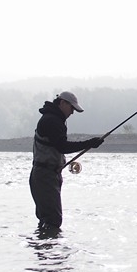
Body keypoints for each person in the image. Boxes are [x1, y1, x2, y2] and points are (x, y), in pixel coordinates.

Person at [29, 91, 104, 234]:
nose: (72, 113)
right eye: (72, 108)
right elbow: (62, 146)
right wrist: (89, 143)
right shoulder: (52, 121)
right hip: (45, 175)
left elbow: (58, 146)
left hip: (45, 174)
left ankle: (44, 249)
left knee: (47, 218)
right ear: (63, 103)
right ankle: (50, 251)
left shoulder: (52, 118)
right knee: (53, 220)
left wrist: (89, 144)